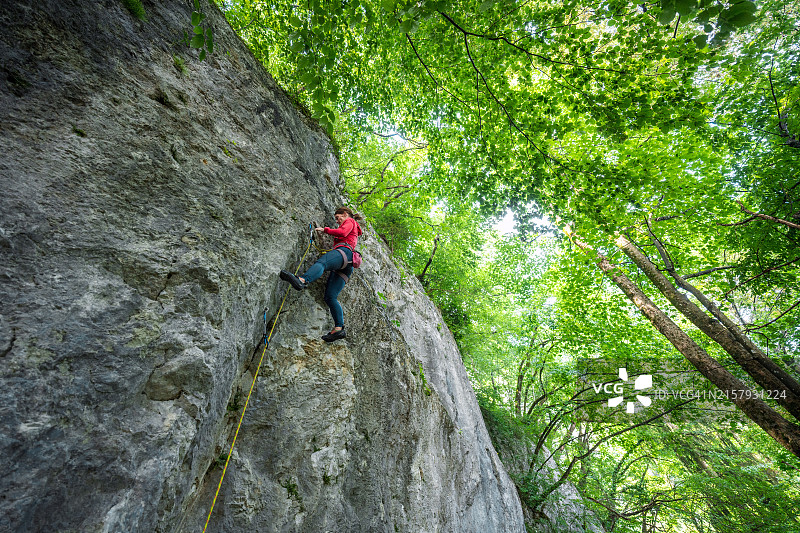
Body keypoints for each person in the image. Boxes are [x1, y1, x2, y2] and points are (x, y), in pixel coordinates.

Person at [280, 207, 363, 342]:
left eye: (338, 217)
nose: (337, 221)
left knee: (322, 263)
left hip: (344, 253)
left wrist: (325, 230)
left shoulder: (349, 221)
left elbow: (342, 232)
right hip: (348, 264)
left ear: (345, 214)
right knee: (330, 297)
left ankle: (302, 280)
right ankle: (339, 328)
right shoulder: (352, 227)